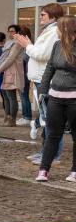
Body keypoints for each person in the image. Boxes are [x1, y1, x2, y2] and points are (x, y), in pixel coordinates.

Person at [15, 3, 64, 165]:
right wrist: (29, 44)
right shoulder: (48, 31)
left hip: (45, 80)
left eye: (43, 14)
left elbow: (42, 55)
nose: (40, 17)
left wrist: (27, 45)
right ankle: (45, 152)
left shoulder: (54, 32)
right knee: (46, 120)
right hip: (40, 80)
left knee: (51, 121)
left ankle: (53, 156)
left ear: (53, 16)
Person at [36, 16, 76, 182]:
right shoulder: (56, 45)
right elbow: (50, 68)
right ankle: (43, 169)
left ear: (66, 29)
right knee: (52, 134)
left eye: (59, 27)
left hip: (74, 99)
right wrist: (43, 90)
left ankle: (74, 171)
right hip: (55, 97)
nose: (56, 30)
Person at [0, 25, 25, 127]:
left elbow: (10, 59)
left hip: (12, 72)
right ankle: (6, 118)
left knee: (11, 97)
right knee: (5, 97)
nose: (10, 33)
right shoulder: (8, 43)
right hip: (5, 72)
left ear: (17, 32)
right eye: (9, 31)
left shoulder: (17, 43)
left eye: (12, 31)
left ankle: (12, 120)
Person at [17, 25, 34, 126]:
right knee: (23, 95)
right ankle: (25, 116)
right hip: (23, 74)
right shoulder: (26, 46)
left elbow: (25, 60)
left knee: (24, 96)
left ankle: (27, 117)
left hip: (25, 74)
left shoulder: (27, 47)